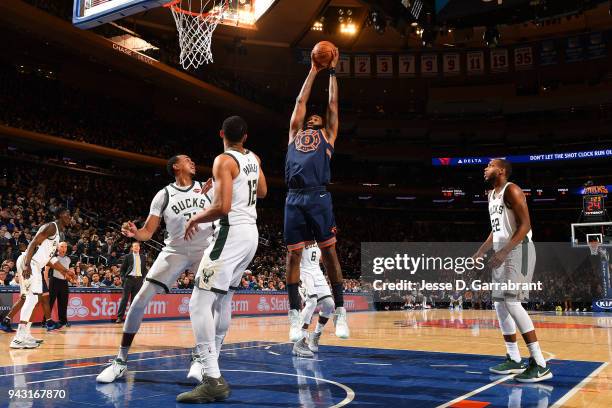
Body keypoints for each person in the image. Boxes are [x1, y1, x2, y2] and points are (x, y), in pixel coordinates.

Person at [96, 154, 214, 383]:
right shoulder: (164, 194)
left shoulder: (206, 187)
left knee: (207, 305)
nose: (192, 161)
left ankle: (200, 357)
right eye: (187, 159)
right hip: (175, 251)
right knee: (140, 299)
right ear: (176, 166)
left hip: (204, 250)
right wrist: (135, 233)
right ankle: (120, 361)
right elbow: (147, 232)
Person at [178, 116, 267, 403]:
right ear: (246, 136)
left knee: (198, 302)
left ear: (221, 134)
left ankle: (212, 376)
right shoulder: (253, 157)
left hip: (230, 233)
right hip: (251, 234)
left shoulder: (222, 160)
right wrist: (220, 184)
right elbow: (262, 191)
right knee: (224, 298)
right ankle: (212, 364)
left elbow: (223, 207)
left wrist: (196, 217)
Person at [284, 45, 349, 343]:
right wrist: (313, 70)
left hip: (318, 195)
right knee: (293, 254)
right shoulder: (294, 134)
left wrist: (332, 71)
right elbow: (300, 100)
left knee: (330, 252)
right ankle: (295, 316)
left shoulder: (328, 135)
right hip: (294, 196)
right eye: (310, 117)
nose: (312, 117)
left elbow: (333, 104)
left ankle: (341, 310)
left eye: (317, 117)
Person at [473, 159, 552, 383]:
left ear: (501, 170)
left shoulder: (513, 190)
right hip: (503, 251)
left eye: (489, 165)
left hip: (519, 249)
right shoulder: (491, 195)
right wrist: (481, 251)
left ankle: (540, 363)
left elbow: (525, 225)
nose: (485, 168)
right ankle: (514, 358)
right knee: (499, 303)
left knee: (511, 301)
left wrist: (505, 251)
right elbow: (495, 229)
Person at [10, 207, 73, 349]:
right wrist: (27, 265)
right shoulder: (51, 226)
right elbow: (32, 243)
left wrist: (65, 271)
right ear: (61, 215)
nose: (71, 217)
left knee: (34, 299)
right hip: (30, 262)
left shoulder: (58, 234)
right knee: (31, 298)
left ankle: (25, 334)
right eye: (68, 214)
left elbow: (48, 260)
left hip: (36, 264)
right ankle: (19, 338)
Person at [292, 242, 336, 358]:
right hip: (303, 272)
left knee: (329, 304)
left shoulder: (321, 234)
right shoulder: (301, 231)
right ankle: (299, 341)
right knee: (312, 302)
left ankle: (315, 335)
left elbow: (320, 257)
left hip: (317, 272)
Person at [116, 242, 147, 323]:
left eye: (138, 246)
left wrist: (143, 278)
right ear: (132, 248)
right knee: (124, 299)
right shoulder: (128, 256)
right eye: (135, 246)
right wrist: (123, 278)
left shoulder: (143, 257)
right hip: (129, 280)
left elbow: (144, 269)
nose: (137, 247)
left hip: (138, 281)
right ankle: (119, 317)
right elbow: (122, 269)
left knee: (134, 301)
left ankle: (132, 318)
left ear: (139, 248)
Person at [47, 241, 72, 327]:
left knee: (63, 302)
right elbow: (46, 271)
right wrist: (46, 282)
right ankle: (46, 321)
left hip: (64, 282)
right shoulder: (53, 257)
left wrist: (71, 279)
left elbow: (67, 272)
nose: (64, 248)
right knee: (50, 302)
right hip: (54, 281)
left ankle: (63, 321)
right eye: (62, 246)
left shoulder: (68, 258)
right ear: (58, 247)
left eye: (65, 247)